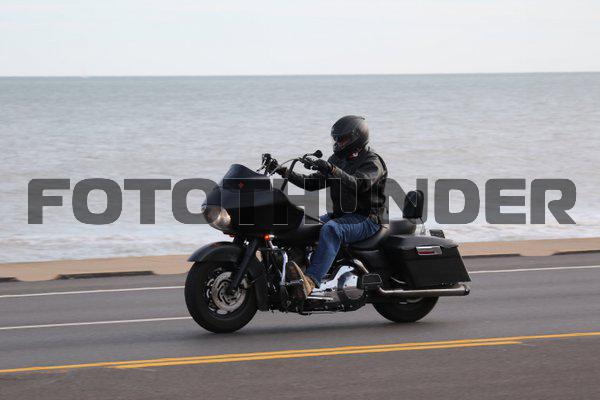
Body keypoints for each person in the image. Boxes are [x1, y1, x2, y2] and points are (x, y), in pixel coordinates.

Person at [267, 115, 388, 298]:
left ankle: (310, 281)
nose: (338, 143)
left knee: (332, 229)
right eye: (336, 139)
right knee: (302, 224)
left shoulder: (372, 161)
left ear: (356, 138)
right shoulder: (338, 159)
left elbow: (359, 184)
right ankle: (293, 268)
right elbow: (311, 183)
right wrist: (284, 171)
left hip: (367, 219)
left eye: (342, 139)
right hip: (342, 215)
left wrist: (332, 170)